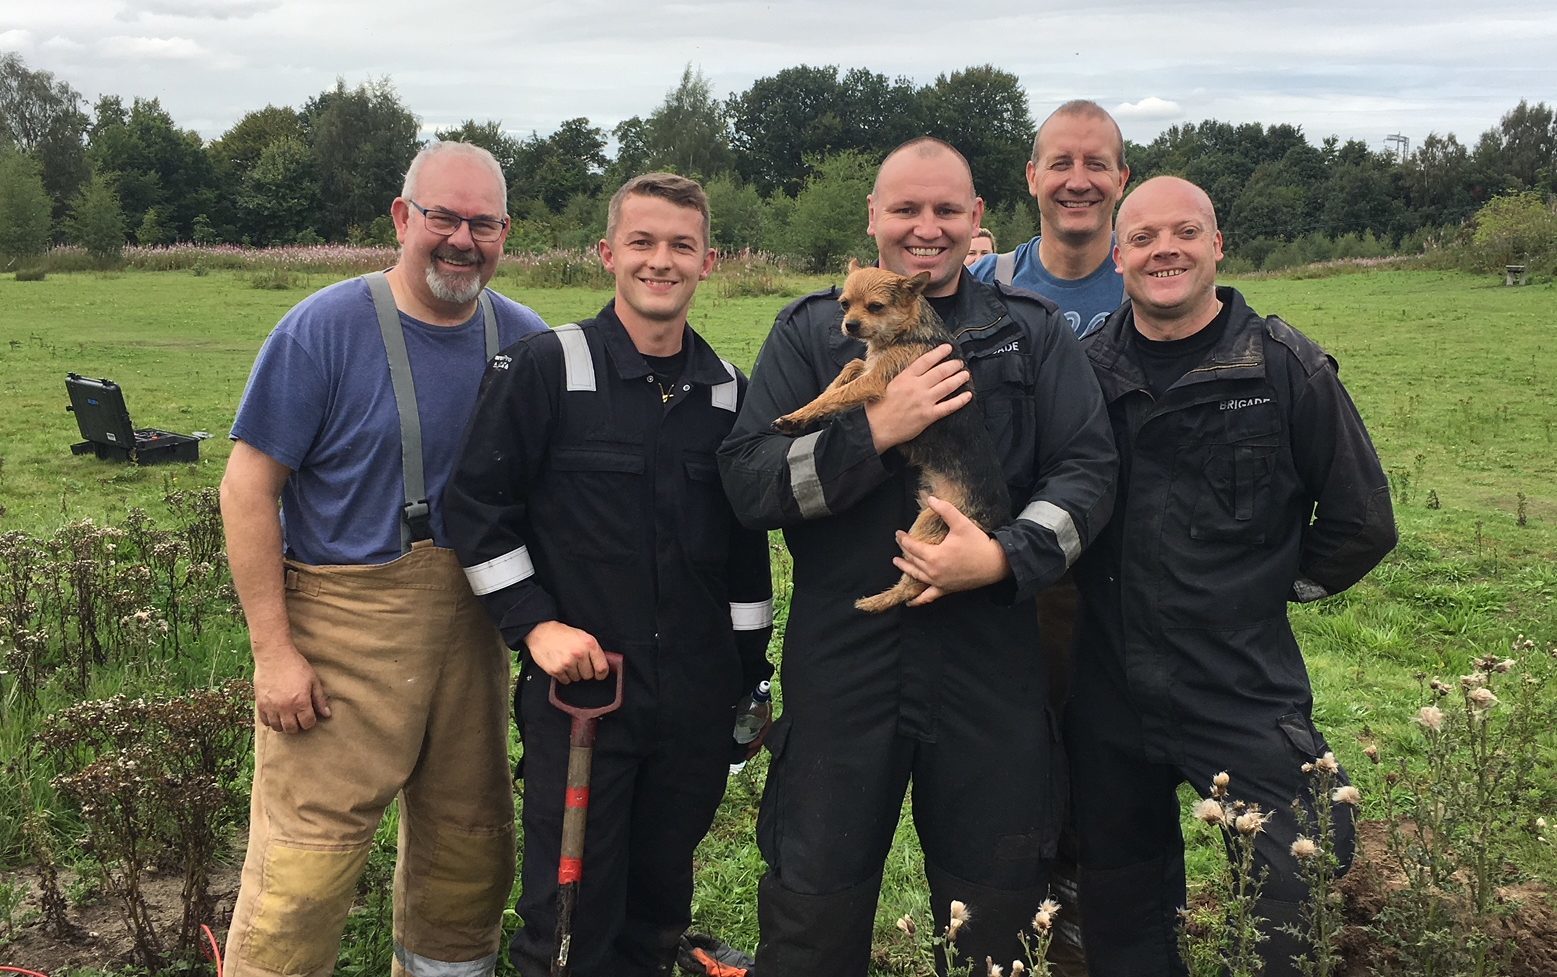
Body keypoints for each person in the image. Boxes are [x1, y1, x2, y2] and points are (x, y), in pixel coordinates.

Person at [718, 137, 1117, 976]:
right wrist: (872, 431)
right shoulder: (806, 335)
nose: (925, 227)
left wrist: (1006, 557)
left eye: (945, 210)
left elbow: (1088, 473)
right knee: (811, 902)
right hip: (843, 655)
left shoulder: (1030, 335)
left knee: (995, 914)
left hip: (990, 658)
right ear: (873, 220)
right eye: (904, 208)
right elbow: (750, 482)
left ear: (976, 219)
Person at [220, 141, 547, 977]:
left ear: (506, 231)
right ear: (403, 218)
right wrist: (273, 652)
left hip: (476, 632)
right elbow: (248, 489)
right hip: (340, 637)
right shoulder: (321, 330)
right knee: (303, 864)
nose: (461, 239)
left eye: (483, 222)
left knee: (468, 855)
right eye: (443, 216)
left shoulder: (529, 342)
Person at [444, 172, 774, 977]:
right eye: (642, 242)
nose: (661, 261)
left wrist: (746, 679)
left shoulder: (730, 394)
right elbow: (476, 508)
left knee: (658, 905)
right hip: (586, 696)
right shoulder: (543, 369)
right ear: (607, 254)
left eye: (681, 246)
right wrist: (536, 625)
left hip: (694, 703)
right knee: (569, 918)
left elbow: (744, 555)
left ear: (709, 261)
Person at [1068, 176, 1397, 977]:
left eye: (1184, 232)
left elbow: (1361, 523)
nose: (1163, 250)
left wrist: (1272, 589)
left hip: (1238, 683)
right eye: (1142, 237)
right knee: (1118, 907)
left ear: (1216, 245)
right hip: (1107, 687)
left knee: (1298, 871)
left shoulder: (1284, 367)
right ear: (1118, 257)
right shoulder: (1083, 372)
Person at [969, 100, 1130, 339]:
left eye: (1096, 165)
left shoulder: (1149, 279)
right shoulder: (984, 282)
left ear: (1120, 181)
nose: (1078, 183)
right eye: (1061, 164)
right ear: (1032, 177)